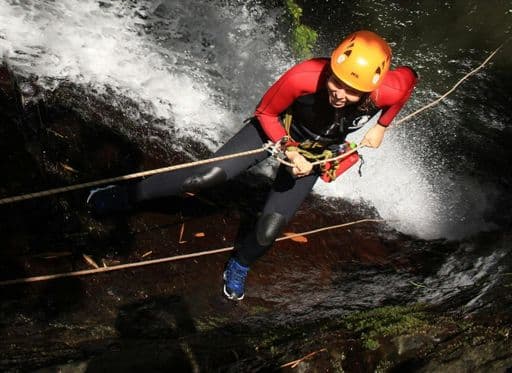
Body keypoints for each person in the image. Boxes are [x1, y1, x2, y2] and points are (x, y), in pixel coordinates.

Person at [87, 30, 418, 300]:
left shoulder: (388, 90)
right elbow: (265, 113)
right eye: (336, 81)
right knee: (205, 176)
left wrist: (382, 125)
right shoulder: (303, 77)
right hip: (274, 132)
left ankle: (240, 263)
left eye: (352, 90)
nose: (339, 94)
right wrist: (288, 149)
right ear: (330, 67)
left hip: (316, 152)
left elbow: (409, 80)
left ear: (373, 88)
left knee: (270, 227)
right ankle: (127, 194)